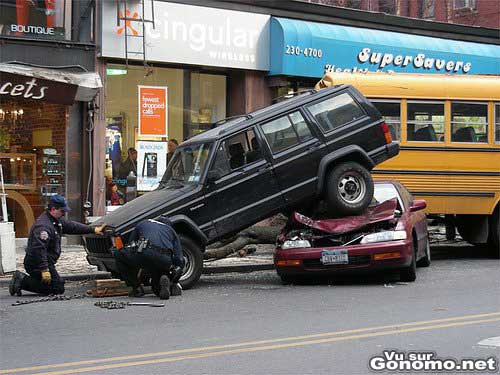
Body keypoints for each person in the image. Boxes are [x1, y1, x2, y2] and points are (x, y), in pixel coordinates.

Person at [9, 195, 106, 296]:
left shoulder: (54, 220)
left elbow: (72, 227)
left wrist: (93, 229)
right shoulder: (44, 226)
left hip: (45, 262)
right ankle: (21, 280)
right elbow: (39, 249)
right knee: (57, 288)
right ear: (53, 209)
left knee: (56, 283)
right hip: (36, 264)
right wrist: (44, 269)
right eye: (62, 211)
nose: (64, 214)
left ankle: (29, 280)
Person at [113, 216, 184, 299]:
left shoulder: (144, 223)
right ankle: (166, 280)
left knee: (118, 254)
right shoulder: (171, 231)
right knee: (157, 285)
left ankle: (137, 288)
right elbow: (179, 259)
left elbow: (131, 244)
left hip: (146, 252)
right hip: (164, 259)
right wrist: (174, 278)